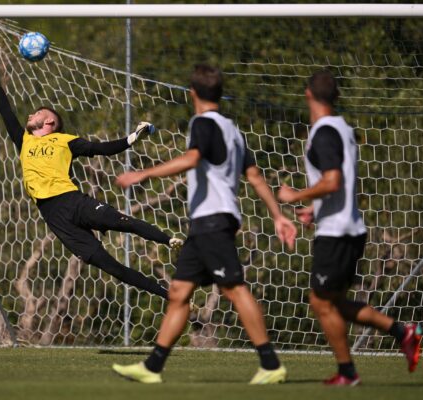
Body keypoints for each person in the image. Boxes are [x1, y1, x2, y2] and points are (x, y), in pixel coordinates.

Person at [111, 64, 297, 384]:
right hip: (203, 224)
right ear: (220, 94)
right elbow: (253, 175)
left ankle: (270, 364)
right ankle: (152, 367)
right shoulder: (232, 130)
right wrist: (278, 215)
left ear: (192, 93)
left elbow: (192, 159)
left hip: (213, 220)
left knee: (235, 290)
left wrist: (144, 173)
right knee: (180, 293)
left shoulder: (202, 122)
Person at [0, 47, 183, 300]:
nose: (31, 114)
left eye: (38, 113)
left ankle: (167, 240)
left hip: (72, 201)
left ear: (49, 122)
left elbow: (102, 149)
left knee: (121, 222)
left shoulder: (65, 141)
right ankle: (166, 294)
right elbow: (6, 113)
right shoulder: (24, 141)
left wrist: (132, 137)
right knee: (110, 266)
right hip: (53, 216)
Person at [277, 69, 422, 386]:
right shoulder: (342, 128)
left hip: (338, 233)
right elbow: (338, 182)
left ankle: (347, 373)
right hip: (346, 226)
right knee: (337, 304)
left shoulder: (325, 132)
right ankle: (403, 331)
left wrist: (294, 195)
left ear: (308, 95)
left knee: (319, 302)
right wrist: (313, 209)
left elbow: (332, 180)